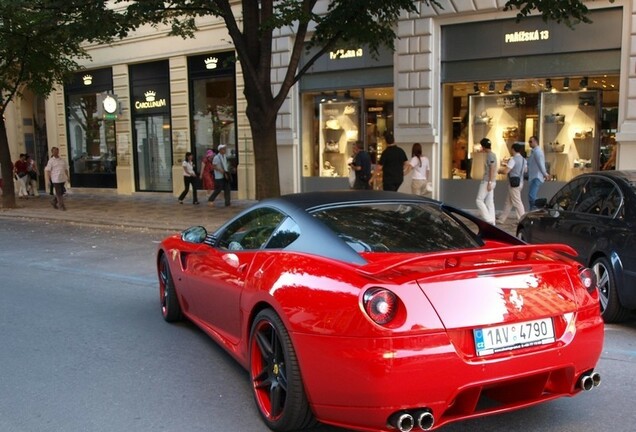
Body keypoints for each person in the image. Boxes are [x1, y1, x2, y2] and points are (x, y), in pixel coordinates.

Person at [497, 143, 526, 224]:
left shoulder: (513, 160)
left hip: (514, 184)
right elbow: (525, 170)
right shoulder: (524, 160)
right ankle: (502, 219)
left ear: (513, 149)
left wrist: (499, 171)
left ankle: (523, 219)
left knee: (517, 202)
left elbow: (506, 171)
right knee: (508, 202)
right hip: (520, 182)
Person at [475, 138, 497, 224]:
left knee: (479, 200)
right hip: (492, 180)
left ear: (483, 146)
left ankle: (488, 219)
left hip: (487, 181)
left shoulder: (490, 155)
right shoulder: (493, 154)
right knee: (489, 201)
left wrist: (489, 182)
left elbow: (491, 168)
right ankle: (492, 221)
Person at [527, 135, 550, 210]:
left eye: (530, 141)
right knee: (531, 196)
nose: (529, 143)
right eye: (529, 142)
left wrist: (545, 174)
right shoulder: (534, 152)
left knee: (532, 195)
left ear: (535, 142)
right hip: (533, 176)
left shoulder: (537, 152)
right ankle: (532, 210)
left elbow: (540, 164)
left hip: (536, 177)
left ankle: (537, 209)